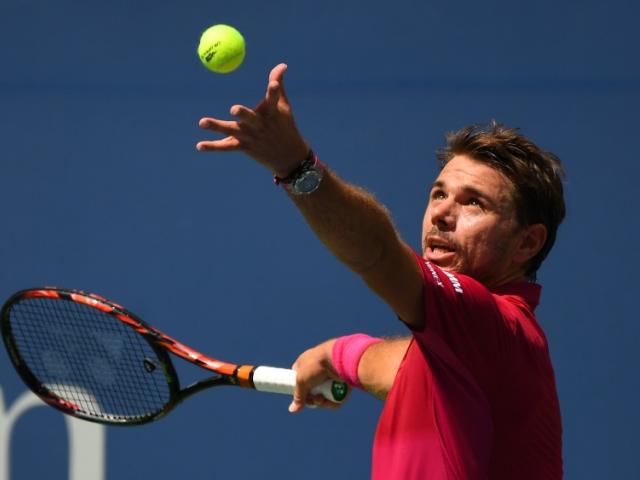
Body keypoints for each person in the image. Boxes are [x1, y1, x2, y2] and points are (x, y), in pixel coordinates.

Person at [196, 63, 565, 480]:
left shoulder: (497, 327)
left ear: (527, 242)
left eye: (474, 203)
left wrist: (297, 166)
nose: (441, 213)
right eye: (438, 194)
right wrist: (338, 354)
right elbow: (399, 366)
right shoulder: (465, 350)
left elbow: (378, 254)